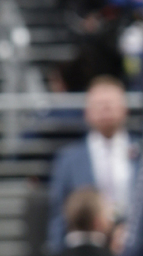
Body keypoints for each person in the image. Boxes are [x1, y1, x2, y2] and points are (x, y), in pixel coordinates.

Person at [47, 75, 137, 247]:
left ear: (125, 109)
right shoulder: (68, 159)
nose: (105, 110)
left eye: (110, 104)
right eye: (99, 105)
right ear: (86, 112)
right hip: (85, 251)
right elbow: (58, 217)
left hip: (135, 248)